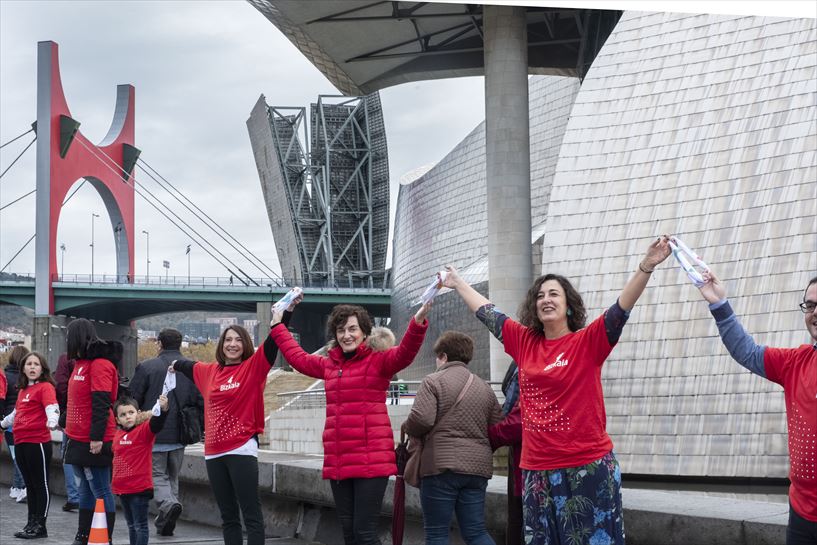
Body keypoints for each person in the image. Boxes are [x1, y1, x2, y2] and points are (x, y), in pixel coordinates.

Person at [442, 236, 672, 545]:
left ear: (567, 306)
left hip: (587, 466)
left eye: (554, 294)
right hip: (537, 471)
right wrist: (457, 283)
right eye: (540, 296)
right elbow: (488, 313)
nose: (546, 299)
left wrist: (646, 266)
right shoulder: (524, 342)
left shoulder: (587, 342)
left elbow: (620, 309)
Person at [269, 300, 431, 545]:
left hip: (371, 461)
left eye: (352, 329)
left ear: (364, 332)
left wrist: (417, 323)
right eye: (341, 330)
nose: (347, 335)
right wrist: (277, 325)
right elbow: (298, 358)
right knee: (349, 533)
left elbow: (405, 353)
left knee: (364, 534)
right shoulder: (329, 366)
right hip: (339, 460)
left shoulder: (379, 362)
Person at [696, 270, 816, 544]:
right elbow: (746, 351)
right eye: (810, 305)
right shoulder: (794, 363)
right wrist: (719, 304)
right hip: (801, 515)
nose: (814, 312)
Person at [169, 306, 297, 545]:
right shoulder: (210, 372)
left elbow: (272, 343)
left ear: (245, 344)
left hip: (241, 449)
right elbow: (188, 365)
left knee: (251, 514)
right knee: (228, 517)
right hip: (214, 452)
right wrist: (174, 363)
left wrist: (286, 313)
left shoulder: (253, 368)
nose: (233, 344)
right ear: (222, 344)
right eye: (228, 340)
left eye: (239, 340)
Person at [402, 331, 502, 545]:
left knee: (437, 533)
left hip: (441, 467)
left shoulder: (432, 381)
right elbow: (497, 428)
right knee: (476, 532)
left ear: (444, 356)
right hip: (477, 470)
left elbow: (422, 419)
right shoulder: (484, 387)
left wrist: (407, 426)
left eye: (437, 357)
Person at [129, 328, 202, 536]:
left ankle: (169, 505)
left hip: (155, 431)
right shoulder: (191, 369)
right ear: (179, 344)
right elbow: (199, 401)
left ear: (159, 343)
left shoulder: (146, 367)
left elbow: (133, 398)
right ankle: (165, 521)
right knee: (172, 477)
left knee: (157, 474)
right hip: (181, 434)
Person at [63, 319, 120, 545]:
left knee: (100, 489)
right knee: (85, 488)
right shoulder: (80, 364)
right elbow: (77, 399)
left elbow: (101, 401)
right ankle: (83, 535)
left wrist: (96, 438)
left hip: (94, 438)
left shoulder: (100, 364)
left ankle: (105, 536)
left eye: (69, 336)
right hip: (76, 436)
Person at [0, 351, 59, 539]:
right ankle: (31, 523)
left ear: (42, 368)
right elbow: (17, 413)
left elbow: (52, 407)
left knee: (40, 484)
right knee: (30, 485)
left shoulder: (45, 387)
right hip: (21, 440)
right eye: (29, 364)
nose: (32, 367)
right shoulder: (23, 390)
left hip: (38, 442)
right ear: (23, 368)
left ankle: (40, 525)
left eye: (36, 364)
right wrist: (2, 424)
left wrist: (52, 420)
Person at [112, 395, 169, 545]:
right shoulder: (118, 434)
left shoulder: (143, 431)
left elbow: (156, 424)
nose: (128, 417)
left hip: (139, 488)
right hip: (122, 488)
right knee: (131, 525)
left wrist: (163, 410)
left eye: (131, 413)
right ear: (117, 420)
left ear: (137, 413)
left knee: (140, 526)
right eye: (123, 415)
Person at [489, 362, 523, 545]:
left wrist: (488, 438)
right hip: (524, 456)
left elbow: (517, 421)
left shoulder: (528, 364)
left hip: (527, 461)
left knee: (518, 519)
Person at [55, 353, 80, 512]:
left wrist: (63, 412)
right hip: (92, 415)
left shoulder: (66, 358)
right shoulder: (96, 358)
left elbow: (61, 385)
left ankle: (74, 496)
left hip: (72, 413)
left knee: (68, 453)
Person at [4, 345, 29, 503]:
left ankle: (23, 486)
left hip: (9, 421)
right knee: (20, 456)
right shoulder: (25, 377)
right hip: (24, 420)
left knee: (16, 456)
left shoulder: (5, 376)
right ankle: (17, 486)